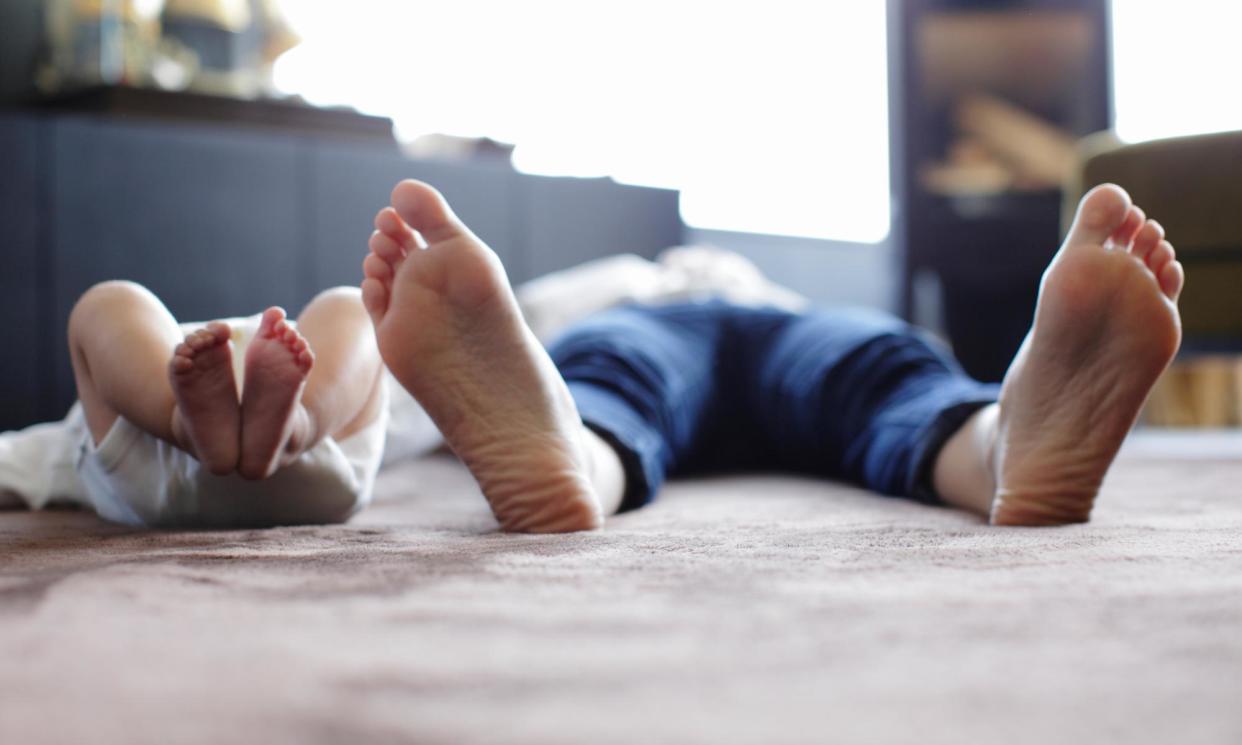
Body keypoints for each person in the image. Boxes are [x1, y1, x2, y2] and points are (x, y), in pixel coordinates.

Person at [361, 179, 1184, 533]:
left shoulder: (622, 289)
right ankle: (994, 452)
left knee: (874, 369)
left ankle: (1014, 447)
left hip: (743, 328)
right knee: (875, 374)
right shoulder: (617, 284)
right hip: (694, 326)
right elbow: (488, 339)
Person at [0, 285, 387, 528]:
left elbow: (11, 460)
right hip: (320, 467)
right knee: (353, 307)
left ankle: (180, 421)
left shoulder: (60, 447)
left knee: (107, 301)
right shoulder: (301, 346)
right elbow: (409, 419)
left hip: (150, 471)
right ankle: (298, 423)